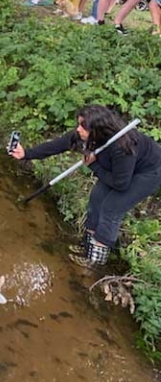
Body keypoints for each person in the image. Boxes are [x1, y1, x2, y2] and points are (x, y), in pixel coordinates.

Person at [10, 105, 161, 267]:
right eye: (79, 124)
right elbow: (58, 144)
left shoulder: (122, 146)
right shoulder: (89, 135)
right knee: (97, 199)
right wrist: (27, 154)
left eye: (83, 126)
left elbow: (120, 184)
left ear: (98, 129)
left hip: (148, 172)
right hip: (120, 169)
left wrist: (94, 166)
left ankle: (95, 259)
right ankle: (89, 246)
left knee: (111, 207)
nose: (78, 129)